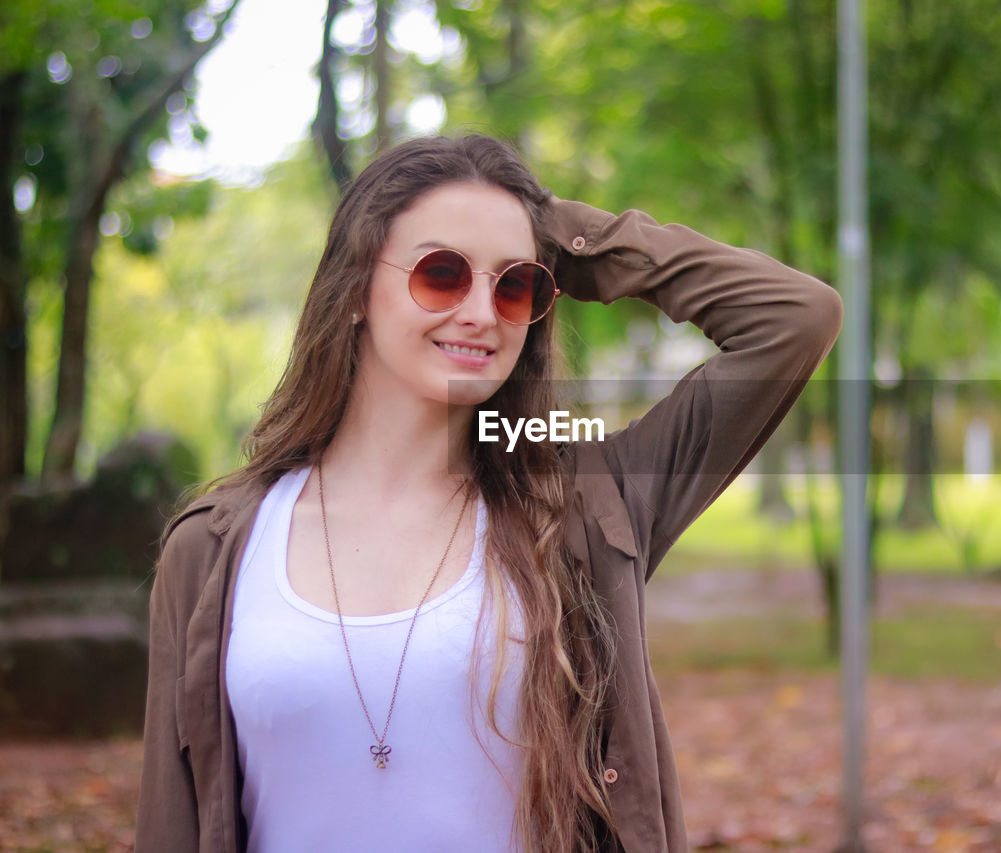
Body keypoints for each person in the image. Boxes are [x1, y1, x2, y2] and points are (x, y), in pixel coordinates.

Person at [135, 133, 842, 853]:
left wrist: (564, 238)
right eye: (442, 274)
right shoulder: (216, 548)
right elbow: (172, 818)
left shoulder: (586, 507)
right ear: (354, 290)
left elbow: (794, 319)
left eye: (514, 284)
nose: (480, 312)